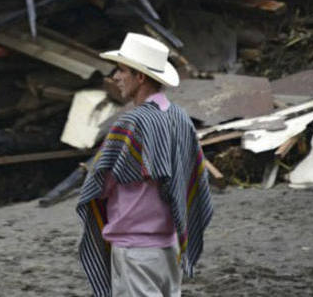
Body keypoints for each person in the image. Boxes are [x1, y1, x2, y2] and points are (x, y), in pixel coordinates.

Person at [76, 32, 213, 297]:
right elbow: (192, 177)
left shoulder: (131, 124)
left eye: (122, 70)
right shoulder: (180, 119)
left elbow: (100, 184)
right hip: (170, 245)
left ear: (140, 77)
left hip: (135, 250)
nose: (115, 76)